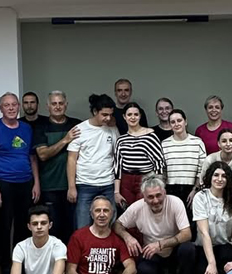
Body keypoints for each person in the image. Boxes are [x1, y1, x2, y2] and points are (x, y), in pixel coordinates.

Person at [0, 92, 40, 274]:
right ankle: (6, 268)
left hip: (25, 183)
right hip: (3, 183)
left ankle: (20, 266)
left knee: (24, 227)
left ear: (18, 107)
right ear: (1, 108)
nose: (11, 108)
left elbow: (32, 157)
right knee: (4, 227)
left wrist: (36, 183)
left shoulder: (26, 128)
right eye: (7, 105)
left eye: (14, 104)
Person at [67, 196, 150, 274]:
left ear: (112, 214)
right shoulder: (78, 236)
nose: (102, 215)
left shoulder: (117, 238)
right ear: (91, 214)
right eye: (97, 210)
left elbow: (131, 267)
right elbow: (70, 273)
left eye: (106, 210)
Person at [114, 174, 192, 274]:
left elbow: (187, 234)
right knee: (143, 270)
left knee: (188, 248)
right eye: (150, 197)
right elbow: (117, 225)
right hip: (153, 255)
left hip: (174, 251)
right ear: (144, 197)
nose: (155, 200)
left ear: (164, 193)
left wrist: (160, 244)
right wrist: (128, 237)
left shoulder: (175, 202)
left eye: (158, 195)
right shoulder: (137, 207)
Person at [177, 162, 232, 274]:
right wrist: (211, 264)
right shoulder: (201, 197)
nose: (220, 179)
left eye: (224, 176)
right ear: (210, 177)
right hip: (203, 248)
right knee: (187, 251)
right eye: (216, 175)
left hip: (223, 248)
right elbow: (204, 233)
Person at [32, 90, 83, 245]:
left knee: (73, 228)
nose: (58, 106)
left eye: (61, 103)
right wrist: (66, 140)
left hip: (73, 186)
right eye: (54, 103)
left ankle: (71, 259)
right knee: (54, 228)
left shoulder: (77, 125)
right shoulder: (40, 127)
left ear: (66, 105)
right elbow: (42, 155)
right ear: (48, 106)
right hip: (50, 186)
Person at [67, 94, 119, 229]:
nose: (108, 118)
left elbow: (117, 155)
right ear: (95, 111)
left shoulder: (112, 129)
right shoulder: (80, 129)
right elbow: (71, 159)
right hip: (85, 184)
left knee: (111, 224)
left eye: (110, 115)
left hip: (108, 183)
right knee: (82, 225)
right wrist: (71, 187)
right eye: (104, 115)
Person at [115, 102, 166, 208]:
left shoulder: (150, 136)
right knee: (128, 212)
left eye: (136, 114)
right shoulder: (121, 140)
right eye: (129, 115)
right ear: (124, 117)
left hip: (145, 178)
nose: (133, 117)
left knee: (144, 210)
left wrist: (159, 185)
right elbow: (117, 167)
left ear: (140, 116)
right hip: (126, 181)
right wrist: (116, 191)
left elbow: (159, 162)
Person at [162, 109, 207, 204]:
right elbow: (163, 171)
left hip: (192, 190)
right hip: (170, 190)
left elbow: (202, 170)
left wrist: (195, 190)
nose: (176, 124)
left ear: (185, 122)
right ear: (170, 125)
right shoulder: (164, 144)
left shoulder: (197, 142)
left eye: (179, 120)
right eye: (173, 122)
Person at [200, 128, 232, 193]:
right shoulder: (210, 159)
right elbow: (203, 182)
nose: (228, 144)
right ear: (219, 144)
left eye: (231, 140)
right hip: (211, 195)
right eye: (224, 141)